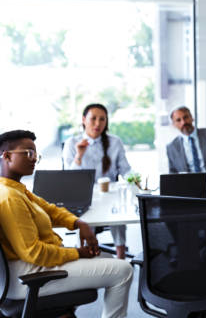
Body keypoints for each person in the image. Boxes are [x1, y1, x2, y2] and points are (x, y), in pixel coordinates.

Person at [0, 130, 133, 318]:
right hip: (28, 275)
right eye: (28, 153)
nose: (34, 158)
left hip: (30, 268)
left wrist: (79, 223)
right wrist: (78, 253)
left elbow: (50, 210)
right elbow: (34, 253)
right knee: (124, 271)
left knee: (107, 259)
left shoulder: (17, 189)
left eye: (36, 154)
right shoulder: (10, 197)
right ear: (6, 156)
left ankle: (63, 312)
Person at [63, 103, 131, 259]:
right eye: (93, 118)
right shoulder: (72, 143)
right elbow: (69, 178)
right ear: (83, 120)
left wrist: (135, 181)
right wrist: (79, 155)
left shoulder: (115, 142)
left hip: (109, 193)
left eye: (102, 119)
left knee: (119, 211)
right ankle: (88, 253)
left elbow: (126, 170)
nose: (97, 123)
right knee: (86, 218)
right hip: (84, 195)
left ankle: (121, 256)